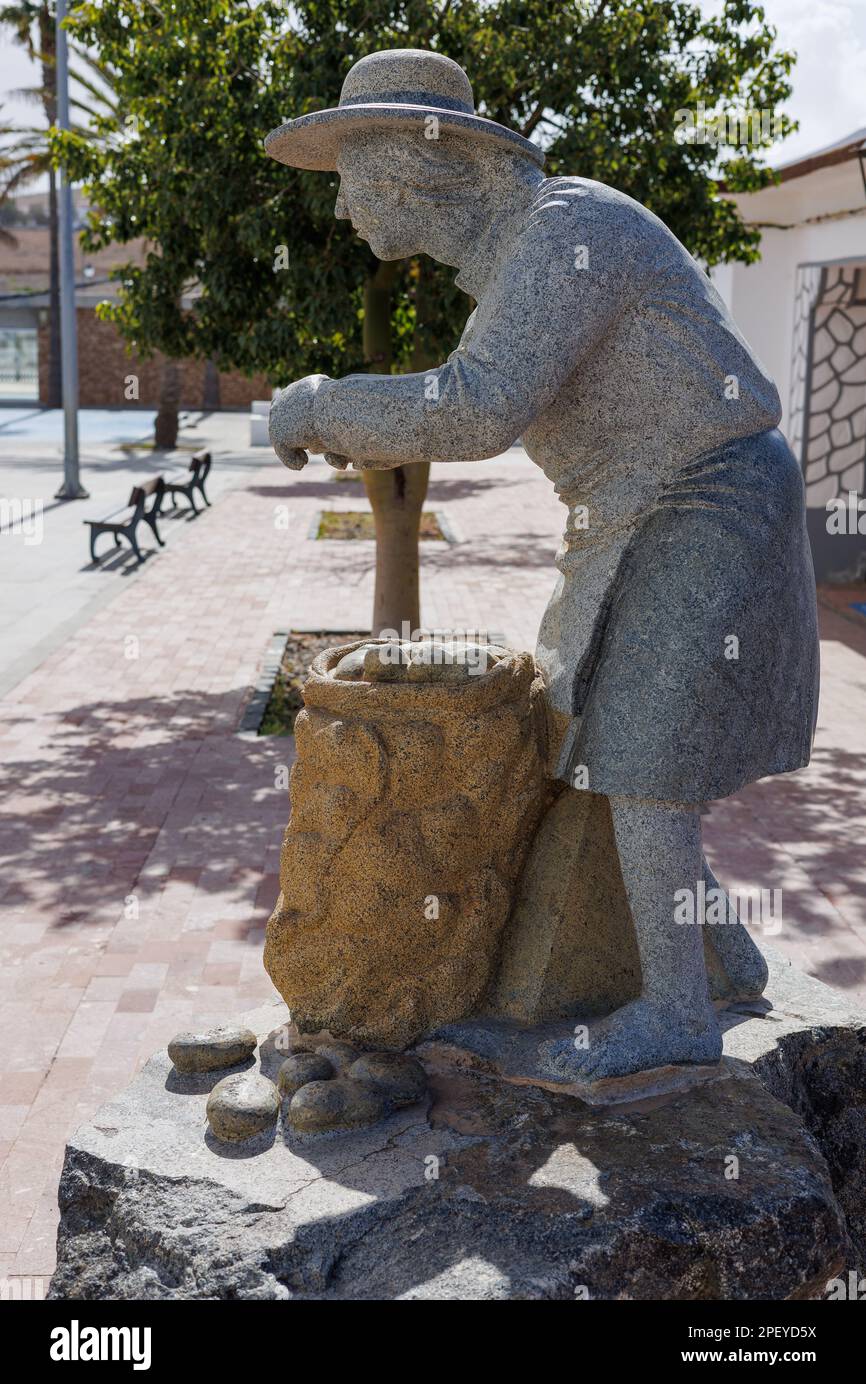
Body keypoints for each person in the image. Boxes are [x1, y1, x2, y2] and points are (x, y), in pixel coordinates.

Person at [265, 49, 819, 1081]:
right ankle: (723, 955)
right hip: (629, 513)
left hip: (704, 493)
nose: (340, 210)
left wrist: (315, 402)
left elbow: (471, 408)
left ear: (406, 169)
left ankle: (673, 1013)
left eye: (348, 179)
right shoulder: (521, 256)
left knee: (644, 750)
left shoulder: (570, 231)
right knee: (596, 734)